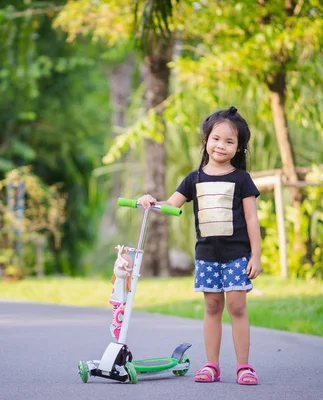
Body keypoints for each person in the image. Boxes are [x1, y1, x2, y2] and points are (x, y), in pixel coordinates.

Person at [137, 106, 261, 385]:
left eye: (230, 141)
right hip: (207, 256)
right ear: (206, 140)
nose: (222, 145)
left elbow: (252, 219)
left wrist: (256, 255)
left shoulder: (242, 179)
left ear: (239, 148)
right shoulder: (194, 179)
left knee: (238, 307)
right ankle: (211, 365)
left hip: (238, 256)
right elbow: (171, 206)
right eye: (216, 138)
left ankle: (244, 366)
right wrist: (150, 202)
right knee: (213, 307)